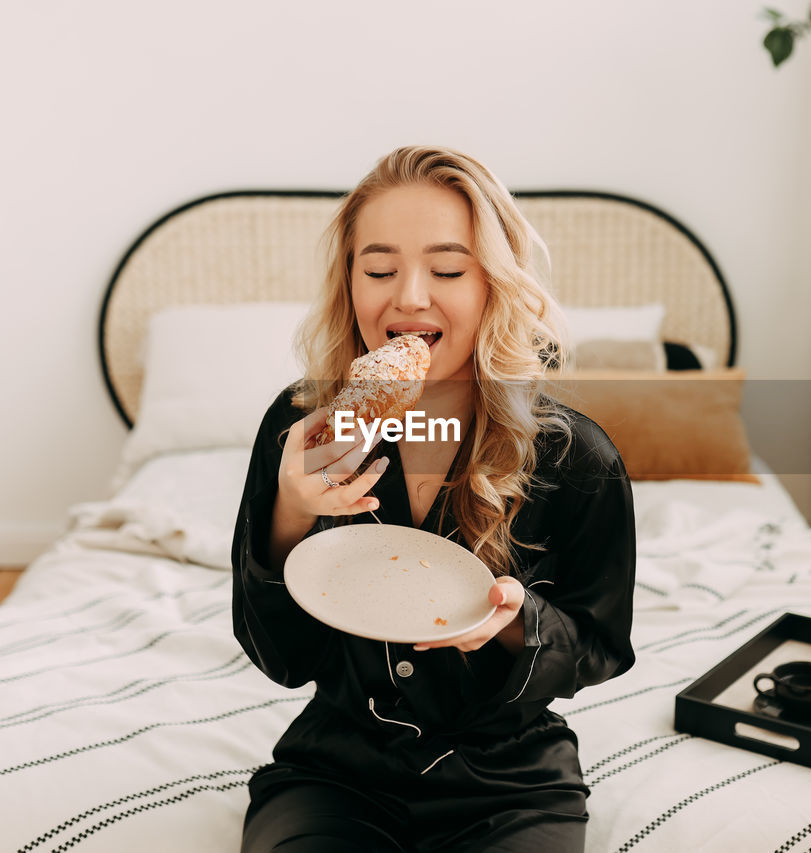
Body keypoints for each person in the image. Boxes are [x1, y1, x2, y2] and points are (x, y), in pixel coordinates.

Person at [233, 145, 637, 852]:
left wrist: (515, 621)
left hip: (512, 782)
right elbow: (281, 657)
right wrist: (292, 512)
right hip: (336, 772)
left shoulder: (577, 456)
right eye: (379, 268)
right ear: (349, 282)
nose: (410, 296)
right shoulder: (300, 430)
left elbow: (602, 645)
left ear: (493, 286)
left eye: (447, 269)